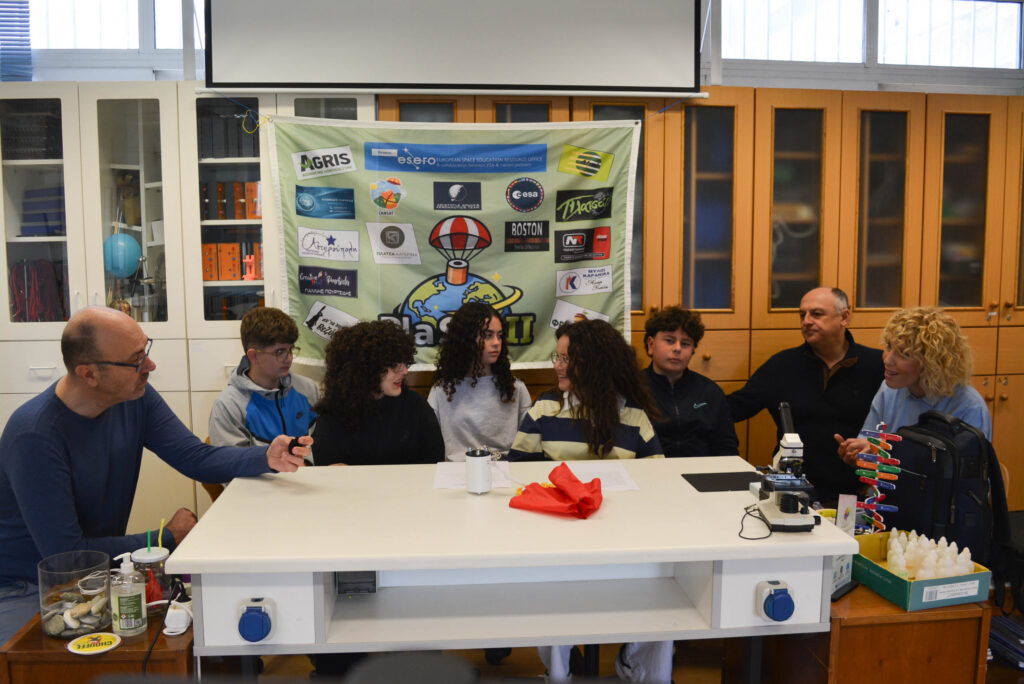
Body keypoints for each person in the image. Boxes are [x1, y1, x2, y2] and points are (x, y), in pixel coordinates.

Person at [0, 307, 310, 645]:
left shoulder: (134, 397)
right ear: (89, 374)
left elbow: (196, 458)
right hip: (29, 588)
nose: (150, 365)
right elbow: (68, 556)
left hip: (97, 574)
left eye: (146, 350)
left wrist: (266, 456)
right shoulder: (34, 435)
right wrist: (166, 537)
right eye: (136, 360)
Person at [508, 319, 668, 683]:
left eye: (567, 359)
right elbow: (518, 476)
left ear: (595, 364)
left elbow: (658, 482)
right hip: (559, 537)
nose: (557, 366)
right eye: (558, 357)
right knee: (552, 590)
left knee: (664, 589)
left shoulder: (633, 416)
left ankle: (640, 670)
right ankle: (558, 673)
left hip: (623, 538)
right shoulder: (545, 410)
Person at [726, 287, 884, 504]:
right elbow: (733, 407)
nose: (806, 321)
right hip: (792, 492)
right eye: (802, 315)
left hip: (857, 494)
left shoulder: (878, 366)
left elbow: (895, 429)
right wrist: (694, 399)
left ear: (844, 317)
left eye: (817, 314)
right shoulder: (782, 365)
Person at [836, 307, 992, 463]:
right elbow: (868, 441)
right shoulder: (888, 390)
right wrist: (858, 453)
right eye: (889, 347)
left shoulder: (969, 407)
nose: (887, 360)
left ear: (932, 363)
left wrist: (887, 450)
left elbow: (963, 472)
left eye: (904, 354)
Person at [312, 320, 444, 466]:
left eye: (405, 362)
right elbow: (327, 467)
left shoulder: (415, 406)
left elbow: (434, 461)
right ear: (367, 368)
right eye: (395, 365)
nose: (405, 371)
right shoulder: (333, 413)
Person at [428, 302, 532, 461]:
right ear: (466, 339)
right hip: (456, 471)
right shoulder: (441, 391)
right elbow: (430, 446)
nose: (496, 342)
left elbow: (529, 444)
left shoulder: (515, 388)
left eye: (499, 335)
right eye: (487, 335)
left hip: (505, 469)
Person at [208, 306, 320, 453]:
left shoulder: (309, 390)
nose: (289, 358)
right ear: (253, 356)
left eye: (291, 349)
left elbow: (321, 446)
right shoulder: (228, 405)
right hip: (259, 470)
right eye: (280, 352)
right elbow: (232, 463)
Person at [641, 306, 739, 457]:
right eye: (669, 341)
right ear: (651, 345)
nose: (677, 348)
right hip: (647, 468)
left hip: (702, 469)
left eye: (685, 344)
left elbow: (727, 447)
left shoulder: (710, 392)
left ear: (692, 351)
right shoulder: (632, 389)